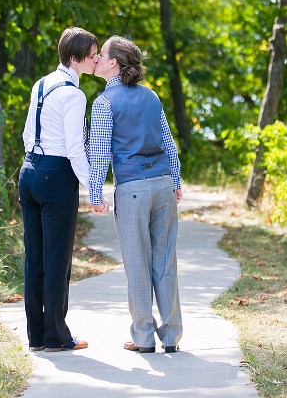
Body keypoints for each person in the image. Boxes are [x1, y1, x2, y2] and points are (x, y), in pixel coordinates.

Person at [88, 35, 183, 354]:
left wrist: (95, 192)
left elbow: (100, 154)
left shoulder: (103, 103)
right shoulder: (152, 96)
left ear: (113, 62)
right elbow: (169, 143)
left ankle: (143, 337)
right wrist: (177, 179)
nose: (96, 58)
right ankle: (170, 336)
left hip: (132, 190)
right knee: (165, 261)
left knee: (138, 264)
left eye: (101, 55)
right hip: (163, 185)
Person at [18, 27, 98, 352]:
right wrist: (93, 188)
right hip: (56, 174)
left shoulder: (41, 84)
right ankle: (57, 337)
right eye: (92, 56)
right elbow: (75, 148)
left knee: (34, 257)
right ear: (76, 58)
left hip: (29, 171)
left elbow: (27, 134)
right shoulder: (74, 95)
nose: (96, 61)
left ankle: (36, 336)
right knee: (57, 258)